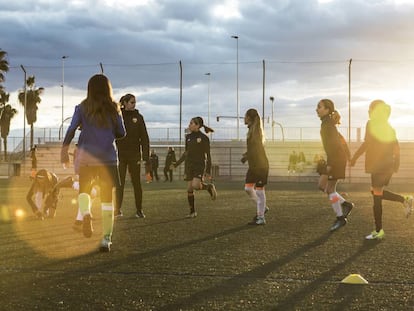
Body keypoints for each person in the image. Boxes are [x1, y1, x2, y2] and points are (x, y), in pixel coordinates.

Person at [61, 74, 125, 252]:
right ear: (108, 88)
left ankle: (86, 214)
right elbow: (122, 132)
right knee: (106, 200)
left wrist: (64, 149)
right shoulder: (114, 108)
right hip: (108, 158)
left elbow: (72, 128)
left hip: (87, 157)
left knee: (84, 191)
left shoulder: (82, 107)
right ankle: (106, 239)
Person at [350, 99, 413, 240]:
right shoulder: (389, 127)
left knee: (376, 195)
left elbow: (367, 144)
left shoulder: (372, 124)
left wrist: (354, 157)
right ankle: (405, 199)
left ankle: (379, 230)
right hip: (385, 165)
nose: (368, 112)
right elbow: (396, 146)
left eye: (370, 109)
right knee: (375, 192)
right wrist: (396, 163)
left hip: (380, 165)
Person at [316, 99, 355, 232]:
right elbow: (340, 140)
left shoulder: (327, 125)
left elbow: (336, 145)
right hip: (335, 158)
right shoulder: (327, 124)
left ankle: (340, 219)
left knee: (329, 189)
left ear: (327, 110)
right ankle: (346, 204)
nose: (317, 109)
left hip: (336, 160)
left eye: (319, 107)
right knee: (323, 186)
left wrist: (330, 164)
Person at [173, 117, 217, 218]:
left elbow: (208, 154)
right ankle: (192, 212)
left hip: (199, 165)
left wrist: (208, 170)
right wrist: (177, 163)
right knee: (189, 188)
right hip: (189, 165)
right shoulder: (188, 137)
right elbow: (186, 153)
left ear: (197, 126)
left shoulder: (204, 138)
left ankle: (208, 187)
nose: (189, 125)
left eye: (191, 123)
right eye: (190, 123)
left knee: (196, 185)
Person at [115, 93, 150, 218]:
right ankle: (117, 210)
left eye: (135, 102)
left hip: (135, 156)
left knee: (136, 183)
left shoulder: (139, 117)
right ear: (124, 103)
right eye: (131, 102)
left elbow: (144, 138)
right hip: (121, 156)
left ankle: (139, 210)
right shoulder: (118, 115)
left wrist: (146, 157)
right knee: (119, 183)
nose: (134, 104)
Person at [241, 108, 269, 225]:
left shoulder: (256, 131)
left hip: (260, 166)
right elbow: (253, 149)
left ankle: (261, 217)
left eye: (245, 116)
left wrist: (247, 156)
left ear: (250, 118)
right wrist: (247, 155)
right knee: (248, 188)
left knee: (259, 191)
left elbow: (257, 149)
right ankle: (263, 207)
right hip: (254, 166)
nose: (244, 118)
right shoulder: (251, 130)